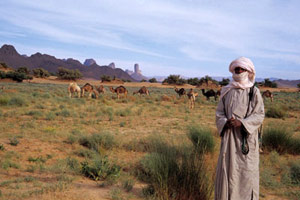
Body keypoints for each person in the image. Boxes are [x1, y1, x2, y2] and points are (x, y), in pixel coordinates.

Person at [214, 57, 265, 200]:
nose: (239, 71)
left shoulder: (253, 92)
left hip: (245, 140)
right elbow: (219, 113)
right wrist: (226, 122)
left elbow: (259, 114)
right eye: (237, 69)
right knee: (227, 171)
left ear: (248, 71)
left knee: (245, 174)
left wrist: (242, 123)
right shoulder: (226, 91)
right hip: (229, 139)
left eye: (242, 69)